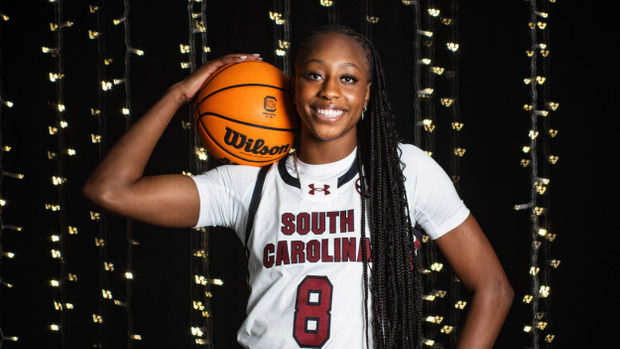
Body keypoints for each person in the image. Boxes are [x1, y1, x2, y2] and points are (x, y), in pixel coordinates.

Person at [83, 25, 513, 349]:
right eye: (313, 75)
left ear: (367, 94)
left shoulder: (405, 171)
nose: (330, 92)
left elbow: (493, 288)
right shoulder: (248, 182)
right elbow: (110, 190)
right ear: (292, 86)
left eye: (348, 78)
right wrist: (181, 92)